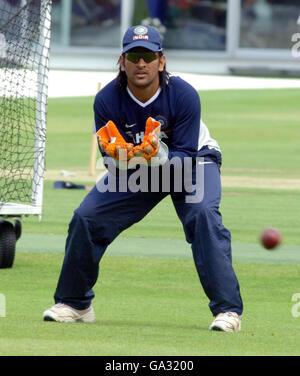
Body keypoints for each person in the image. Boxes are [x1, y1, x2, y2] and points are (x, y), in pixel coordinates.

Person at [43, 24, 243, 332]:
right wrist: (120, 158)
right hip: (138, 170)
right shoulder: (107, 100)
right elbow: (109, 159)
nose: (141, 63)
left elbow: (186, 156)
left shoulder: (184, 95)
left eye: (148, 56)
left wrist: (157, 156)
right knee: (86, 216)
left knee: (203, 215)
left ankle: (227, 311)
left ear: (161, 61)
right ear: (122, 61)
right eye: (133, 56)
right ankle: (75, 303)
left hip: (193, 162)